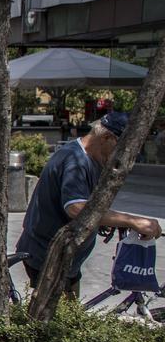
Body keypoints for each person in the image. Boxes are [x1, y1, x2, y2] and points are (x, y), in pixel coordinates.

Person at [16, 111, 162, 297]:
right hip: (49, 255)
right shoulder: (75, 161)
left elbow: (88, 205)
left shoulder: (90, 159)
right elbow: (76, 207)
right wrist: (132, 220)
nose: (123, 155)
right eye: (122, 147)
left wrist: (106, 221)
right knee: (53, 318)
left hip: (66, 258)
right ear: (107, 137)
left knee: (70, 313)